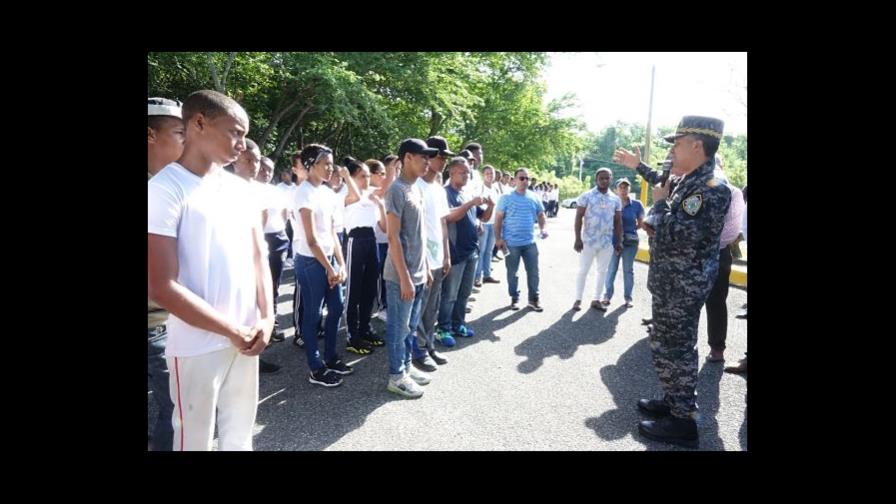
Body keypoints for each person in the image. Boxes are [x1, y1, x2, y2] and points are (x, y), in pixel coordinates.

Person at [148, 90, 273, 451]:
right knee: (194, 440)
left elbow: (257, 257)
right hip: (195, 344)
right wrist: (231, 329)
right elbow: (162, 285)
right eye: (235, 132)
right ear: (199, 123)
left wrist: (266, 318)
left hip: (248, 334)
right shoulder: (163, 190)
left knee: (239, 436)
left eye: (245, 135)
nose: (242, 144)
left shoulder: (240, 190)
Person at [613, 115, 731, 449]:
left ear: (697, 145)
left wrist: (660, 207)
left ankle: (684, 421)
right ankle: (674, 399)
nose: (674, 150)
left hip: (683, 285)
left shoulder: (711, 186)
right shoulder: (694, 178)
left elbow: (680, 233)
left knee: (677, 349)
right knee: (668, 346)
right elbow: (664, 183)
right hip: (673, 282)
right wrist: (640, 167)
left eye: (677, 144)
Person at [292, 144, 353, 387]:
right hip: (310, 262)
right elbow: (311, 239)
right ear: (310, 166)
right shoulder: (303, 194)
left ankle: (331, 356)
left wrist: (341, 264)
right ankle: (315, 367)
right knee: (313, 314)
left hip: (328, 261)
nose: (330, 168)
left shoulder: (327, 193)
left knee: (337, 308)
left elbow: (332, 233)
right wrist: (329, 267)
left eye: (331, 163)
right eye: (324, 164)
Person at [382, 139, 436, 398]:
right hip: (399, 275)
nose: (427, 162)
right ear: (407, 158)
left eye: (429, 157)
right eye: (422, 157)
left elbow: (419, 234)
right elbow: (393, 238)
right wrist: (404, 278)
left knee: (410, 327)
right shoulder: (397, 190)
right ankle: (396, 376)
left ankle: (405, 367)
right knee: (397, 327)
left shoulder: (417, 189)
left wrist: (424, 266)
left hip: (417, 271)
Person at [146, 96, 184, 451]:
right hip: (154, 324)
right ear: (151, 135)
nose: (186, 142)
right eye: (179, 133)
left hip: (164, 321)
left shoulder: (171, 187)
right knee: (177, 409)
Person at [411, 137, 453, 370]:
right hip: (421, 258)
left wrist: (446, 254)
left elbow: (442, 223)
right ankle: (417, 349)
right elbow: (415, 228)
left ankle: (428, 344)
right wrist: (425, 258)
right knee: (420, 304)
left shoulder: (439, 188)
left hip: (438, 256)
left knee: (432, 305)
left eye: (445, 157)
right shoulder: (416, 186)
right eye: (440, 156)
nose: (443, 160)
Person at [703, 155, 745, 362]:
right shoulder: (694, 189)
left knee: (716, 301)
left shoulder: (733, 192)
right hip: (692, 253)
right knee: (685, 302)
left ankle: (717, 347)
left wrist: (702, 243)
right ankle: (681, 346)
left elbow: (730, 232)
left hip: (717, 253)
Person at [494, 168, 548, 311]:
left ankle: (533, 299)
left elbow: (541, 215)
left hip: (530, 242)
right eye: (521, 178)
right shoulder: (506, 197)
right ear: (515, 180)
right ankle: (514, 298)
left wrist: (543, 228)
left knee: (534, 272)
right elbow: (498, 219)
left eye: (527, 178)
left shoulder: (534, 197)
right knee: (512, 273)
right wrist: (498, 238)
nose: (525, 181)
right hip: (511, 244)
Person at [572, 168, 622, 312]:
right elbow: (578, 218)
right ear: (596, 179)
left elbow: (618, 222)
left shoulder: (615, 199)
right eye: (602, 178)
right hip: (588, 241)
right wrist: (577, 239)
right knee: (583, 270)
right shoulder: (586, 196)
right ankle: (578, 299)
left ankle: (596, 299)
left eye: (607, 178)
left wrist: (618, 241)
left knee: (602, 272)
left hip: (606, 242)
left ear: (611, 179)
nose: (604, 180)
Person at [602, 178, 644, 308]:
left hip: (630, 242)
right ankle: (607, 296)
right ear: (616, 189)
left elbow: (641, 223)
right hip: (614, 242)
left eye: (626, 187)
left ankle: (628, 298)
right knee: (612, 269)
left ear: (629, 189)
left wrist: (629, 232)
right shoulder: (610, 203)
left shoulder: (637, 204)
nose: (623, 189)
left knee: (628, 270)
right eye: (621, 187)